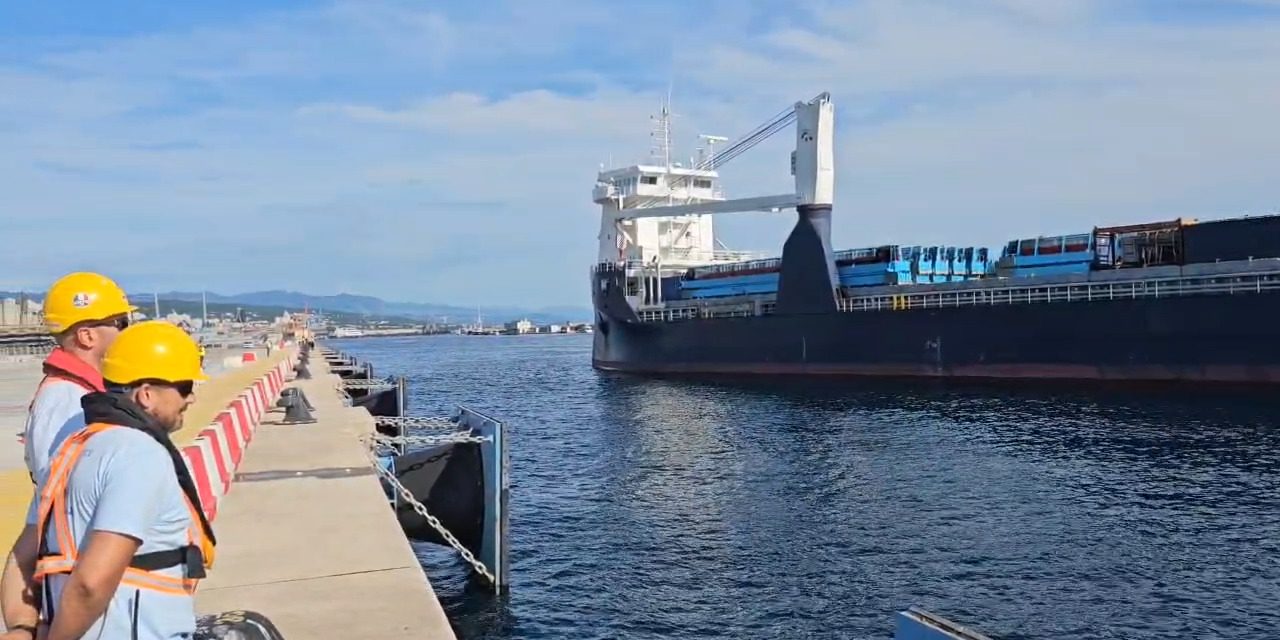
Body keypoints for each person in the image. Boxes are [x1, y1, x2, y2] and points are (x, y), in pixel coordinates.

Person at [0, 321, 216, 640]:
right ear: (146, 395)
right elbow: (90, 584)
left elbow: (22, 558)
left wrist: (22, 627)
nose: (192, 398)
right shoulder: (139, 455)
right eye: (185, 387)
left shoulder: (71, 450)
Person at [21, 271, 135, 483]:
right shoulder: (66, 398)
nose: (127, 333)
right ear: (87, 336)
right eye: (121, 323)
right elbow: (63, 486)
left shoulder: (85, 391)